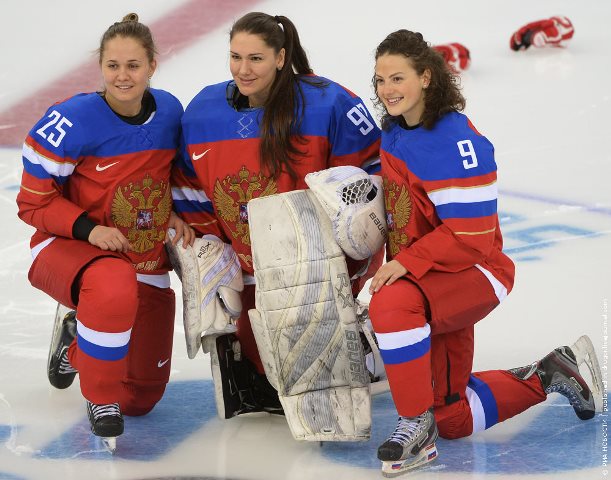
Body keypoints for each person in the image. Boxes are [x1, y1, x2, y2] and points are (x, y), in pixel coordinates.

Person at [368, 29, 602, 476]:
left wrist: (402, 265)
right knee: (452, 419)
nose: (387, 90)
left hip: (474, 272)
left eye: (397, 78)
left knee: (392, 305)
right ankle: (551, 372)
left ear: (426, 77)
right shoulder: (395, 131)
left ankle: (414, 424)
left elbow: (471, 236)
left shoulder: (456, 142)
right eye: (380, 81)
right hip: (430, 277)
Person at [172, 12, 381, 416]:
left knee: (313, 367)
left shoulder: (330, 103)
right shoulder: (202, 113)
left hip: (322, 263)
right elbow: (188, 187)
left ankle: (358, 340)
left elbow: (367, 186)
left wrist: (349, 260)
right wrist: (212, 247)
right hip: (248, 263)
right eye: (235, 57)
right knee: (271, 369)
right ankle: (248, 363)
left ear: (281, 57)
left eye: (256, 59)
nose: (243, 70)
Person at [16, 13, 194, 449]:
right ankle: (100, 400)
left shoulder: (169, 110)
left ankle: (78, 342)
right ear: (101, 67)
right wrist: (89, 230)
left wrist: (172, 210)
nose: (122, 76)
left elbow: (169, 171)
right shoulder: (73, 119)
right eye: (113, 65)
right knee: (112, 285)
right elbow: (32, 202)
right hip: (68, 248)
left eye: (133, 65)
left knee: (142, 397)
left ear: (153, 64)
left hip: (143, 251)